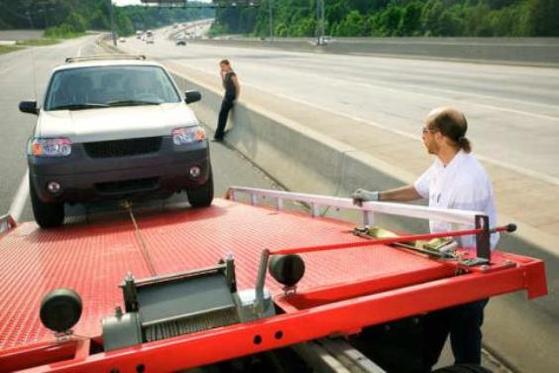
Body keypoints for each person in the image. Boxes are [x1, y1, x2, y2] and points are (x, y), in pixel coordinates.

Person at [352, 107, 499, 370]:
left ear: (440, 136)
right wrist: (377, 196)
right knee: (432, 329)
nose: (422, 136)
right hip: (445, 265)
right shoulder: (443, 164)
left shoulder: (468, 178)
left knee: (465, 337)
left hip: (468, 270)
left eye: (425, 131)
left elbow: (469, 238)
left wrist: (433, 251)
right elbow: (417, 189)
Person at [214, 59, 240, 141]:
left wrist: (236, 98)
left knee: (222, 115)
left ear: (228, 65)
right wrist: (222, 76)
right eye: (221, 67)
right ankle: (219, 135)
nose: (222, 68)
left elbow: (238, 87)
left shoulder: (232, 75)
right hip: (226, 96)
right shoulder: (227, 74)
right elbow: (225, 87)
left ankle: (218, 136)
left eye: (223, 66)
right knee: (222, 116)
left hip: (230, 97)